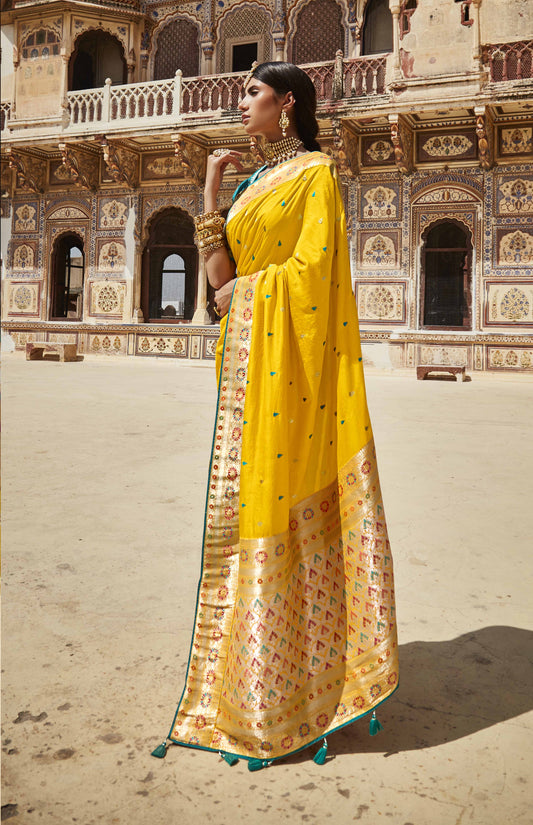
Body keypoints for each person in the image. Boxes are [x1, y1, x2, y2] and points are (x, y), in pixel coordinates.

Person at [153, 62, 399, 770]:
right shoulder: (251, 182)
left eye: (251, 93)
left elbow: (315, 274)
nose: (239, 102)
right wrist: (208, 191)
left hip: (291, 370)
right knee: (250, 506)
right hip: (250, 367)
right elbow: (219, 282)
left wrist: (253, 290)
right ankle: (255, 677)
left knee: (280, 502)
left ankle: (303, 686)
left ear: (286, 105)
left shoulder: (315, 175)